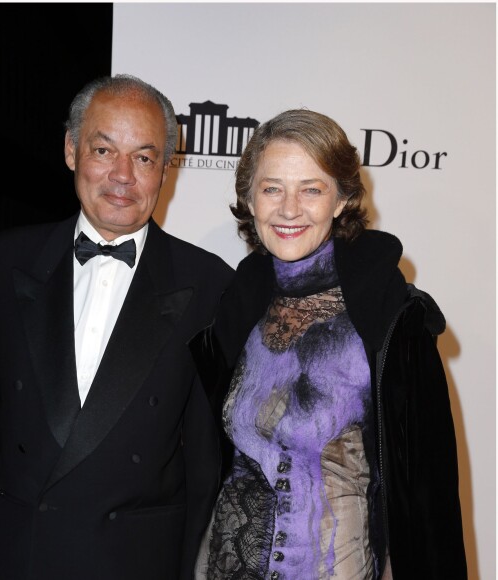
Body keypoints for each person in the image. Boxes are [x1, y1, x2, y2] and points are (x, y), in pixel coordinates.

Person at [0, 74, 233, 580]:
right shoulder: (1, 263)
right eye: (104, 150)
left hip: (140, 559)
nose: (123, 176)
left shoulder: (209, 283)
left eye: (144, 158)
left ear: (165, 170)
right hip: (21, 552)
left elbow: (207, 460)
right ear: (71, 150)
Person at [191, 109, 467, 579]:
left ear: (341, 200)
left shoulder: (392, 318)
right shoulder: (234, 304)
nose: (289, 208)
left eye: (312, 189)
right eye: (272, 187)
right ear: (250, 199)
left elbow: (428, 500)